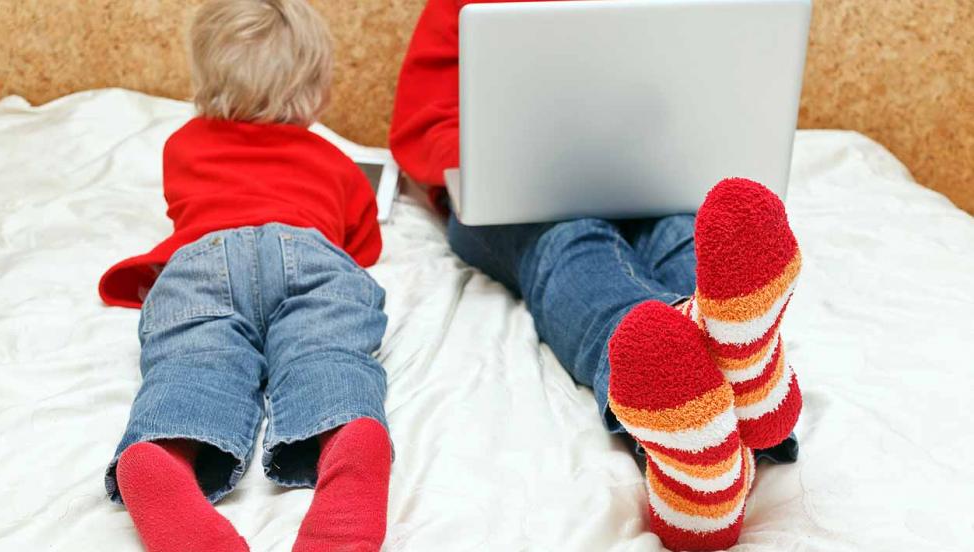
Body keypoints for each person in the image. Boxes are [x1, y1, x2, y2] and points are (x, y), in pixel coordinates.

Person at [390, 1, 802, 549]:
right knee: (570, 244)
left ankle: (703, 444)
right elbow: (422, 123)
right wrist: (516, 156)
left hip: (656, 171)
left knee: (691, 230)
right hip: (523, 198)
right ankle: (734, 383)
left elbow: (711, 84)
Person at [98, 1, 390, 550]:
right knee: (326, 355)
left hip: (203, 260)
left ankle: (162, 454)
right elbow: (363, 248)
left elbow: (183, 206)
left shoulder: (182, 146)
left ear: (205, 78)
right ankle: (347, 432)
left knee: (194, 364)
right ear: (317, 90)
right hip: (310, 254)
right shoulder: (338, 163)